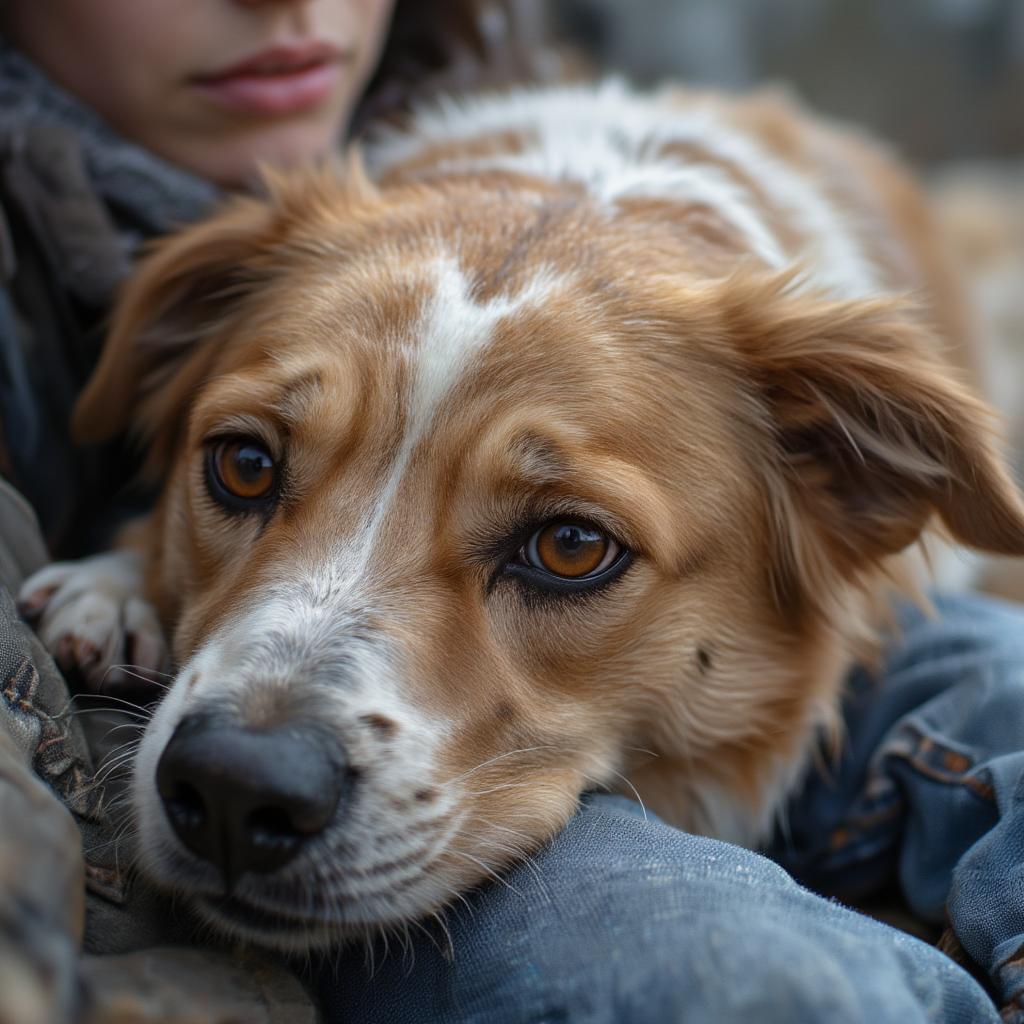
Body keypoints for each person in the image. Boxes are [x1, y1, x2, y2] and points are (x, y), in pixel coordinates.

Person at [0, 2, 1022, 1021]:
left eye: (565, 543)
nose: (254, 753)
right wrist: (143, 559)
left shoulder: (789, 426)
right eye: (250, 469)